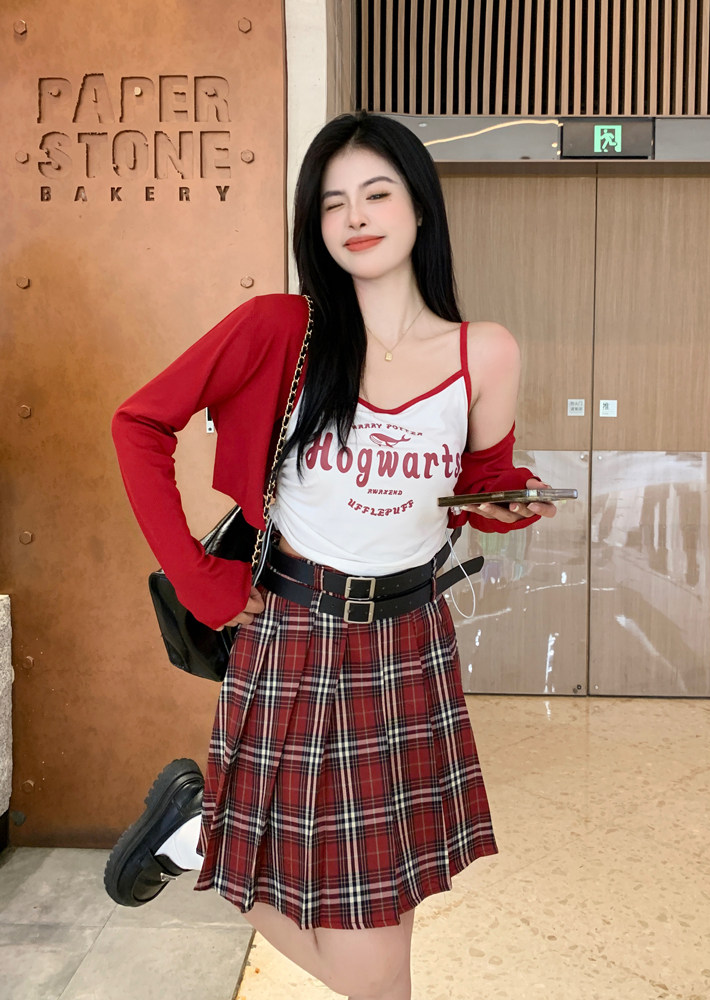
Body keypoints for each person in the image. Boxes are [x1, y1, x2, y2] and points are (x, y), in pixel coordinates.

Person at [106, 111, 557, 1000]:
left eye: (377, 193)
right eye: (332, 202)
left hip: (412, 644)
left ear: (420, 207)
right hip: (297, 636)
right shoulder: (282, 330)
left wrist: (511, 501)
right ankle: (196, 832)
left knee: (388, 935)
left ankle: (193, 833)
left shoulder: (485, 352)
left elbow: (478, 481)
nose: (355, 216)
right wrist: (199, 581)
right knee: (376, 975)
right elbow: (138, 424)